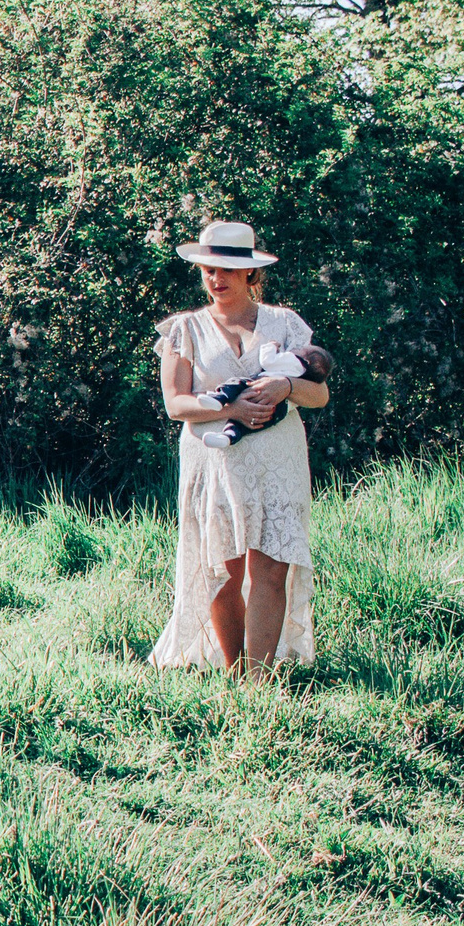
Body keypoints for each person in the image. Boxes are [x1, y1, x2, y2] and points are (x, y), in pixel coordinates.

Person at [149, 221, 329, 676]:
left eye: (228, 269)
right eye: (209, 269)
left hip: (277, 459)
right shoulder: (184, 329)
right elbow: (176, 404)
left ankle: (259, 681)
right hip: (215, 459)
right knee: (224, 571)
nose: (217, 278)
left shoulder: (284, 324)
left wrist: (285, 384)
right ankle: (234, 672)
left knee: (272, 569)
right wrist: (230, 414)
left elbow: (319, 395)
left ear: (251, 274)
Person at [199, 343, 333, 449]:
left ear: (306, 360)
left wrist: (271, 346)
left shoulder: (295, 361)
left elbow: (267, 361)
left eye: (301, 349)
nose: (296, 349)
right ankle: (228, 436)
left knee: (237, 383)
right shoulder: (307, 376)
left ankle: (219, 398)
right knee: (248, 424)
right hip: (279, 410)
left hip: (257, 387)